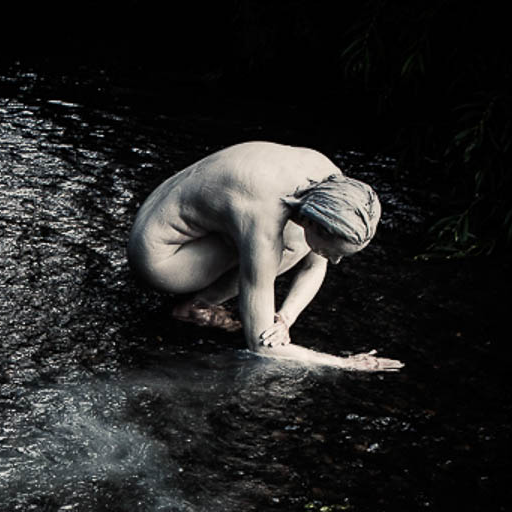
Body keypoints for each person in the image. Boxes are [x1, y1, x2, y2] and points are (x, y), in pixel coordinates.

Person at [127, 141, 400, 371]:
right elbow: (261, 347)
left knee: (297, 241)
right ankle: (196, 306)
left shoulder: (331, 184)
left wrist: (285, 319)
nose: (336, 261)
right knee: (289, 245)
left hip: (163, 208)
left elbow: (316, 265)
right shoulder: (264, 216)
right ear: (317, 224)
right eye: (335, 252)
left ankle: (204, 299)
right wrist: (347, 364)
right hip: (161, 258)